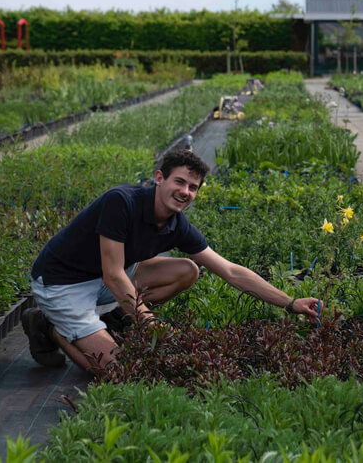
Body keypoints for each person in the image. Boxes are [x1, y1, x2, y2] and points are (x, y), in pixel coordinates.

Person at [22, 148, 323, 369]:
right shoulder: (121, 203)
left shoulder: (177, 225)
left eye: (193, 188)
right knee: (115, 371)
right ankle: (52, 326)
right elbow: (114, 275)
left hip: (104, 280)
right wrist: (151, 323)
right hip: (63, 283)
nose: (185, 192)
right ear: (159, 178)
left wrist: (290, 302)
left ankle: (115, 318)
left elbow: (231, 271)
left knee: (187, 269)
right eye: (179, 182)